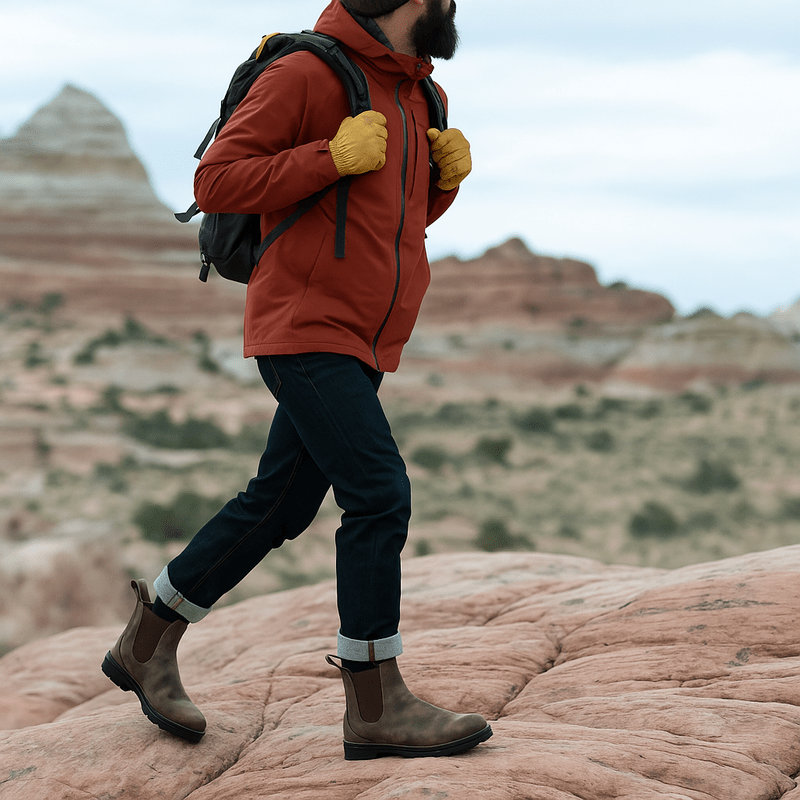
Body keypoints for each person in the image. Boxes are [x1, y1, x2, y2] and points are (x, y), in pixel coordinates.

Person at [103, 0, 492, 759]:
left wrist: (444, 185)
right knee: (379, 494)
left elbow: (389, 219)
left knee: (277, 503)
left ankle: (147, 642)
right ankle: (375, 703)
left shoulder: (425, 94)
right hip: (304, 325)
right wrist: (330, 156)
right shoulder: (307, 72)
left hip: (366, 338)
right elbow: (216, 180)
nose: (456, 5)